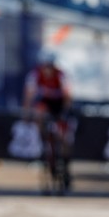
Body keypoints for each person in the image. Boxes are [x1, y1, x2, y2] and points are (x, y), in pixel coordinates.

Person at [23, 51, 73, 186]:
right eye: (45, 66)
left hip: (59, 105)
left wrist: (65, 111)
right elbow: (29, 95)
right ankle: (43, 138)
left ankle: (66, 167)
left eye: (50, 66)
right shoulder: (34, 75)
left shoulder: (61, 75)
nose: (47, 70)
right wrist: (27, 113)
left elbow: (68, 95)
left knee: (64, 138)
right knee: (39, 112)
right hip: (45, 104)